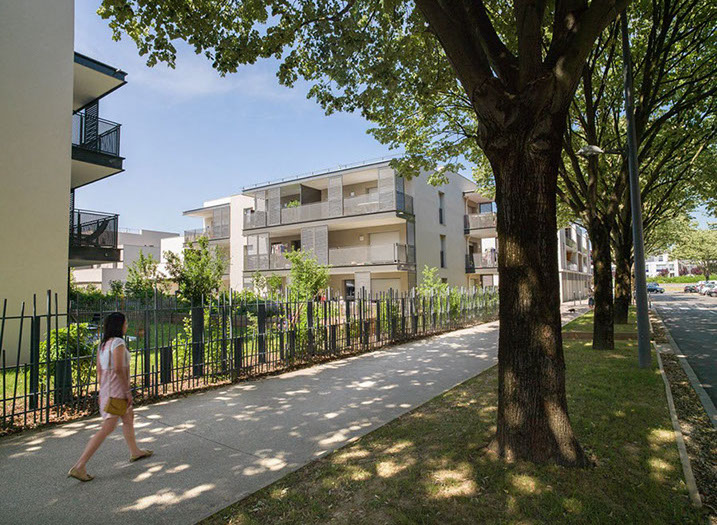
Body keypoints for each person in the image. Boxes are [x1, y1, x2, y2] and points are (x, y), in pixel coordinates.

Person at [68, 312, 152, 481]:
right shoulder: (118, 343)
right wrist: (127, 392)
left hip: (108, 388)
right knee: (108, 427)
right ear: (119, 325)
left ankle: (135, 451)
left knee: (128, 417)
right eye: (125, 323)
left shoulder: (103, 345)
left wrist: (102, 392)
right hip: (117, 390)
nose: (127, 326)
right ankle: (80, 465)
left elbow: (100, 371)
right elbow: (119, 369)